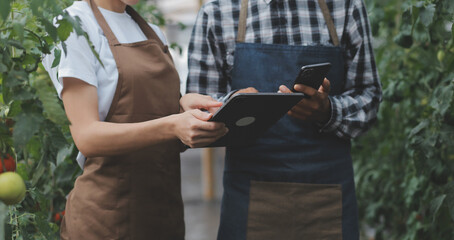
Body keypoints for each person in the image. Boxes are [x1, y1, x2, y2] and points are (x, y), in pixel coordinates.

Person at [187, 0, 382, 239]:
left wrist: (328, 110)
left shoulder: (345, 6)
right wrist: (234, 104)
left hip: (328, 196)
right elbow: (196, 112)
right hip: (249, 196)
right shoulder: (217, 13)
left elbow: (369, 98)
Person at [42, 0, 228, 239]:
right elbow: (87, 137)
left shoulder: (150, 30)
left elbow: (155, 115)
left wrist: (183, 108)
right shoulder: (71, 26)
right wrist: (172, 125)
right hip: (106, 220)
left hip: (163, 216)